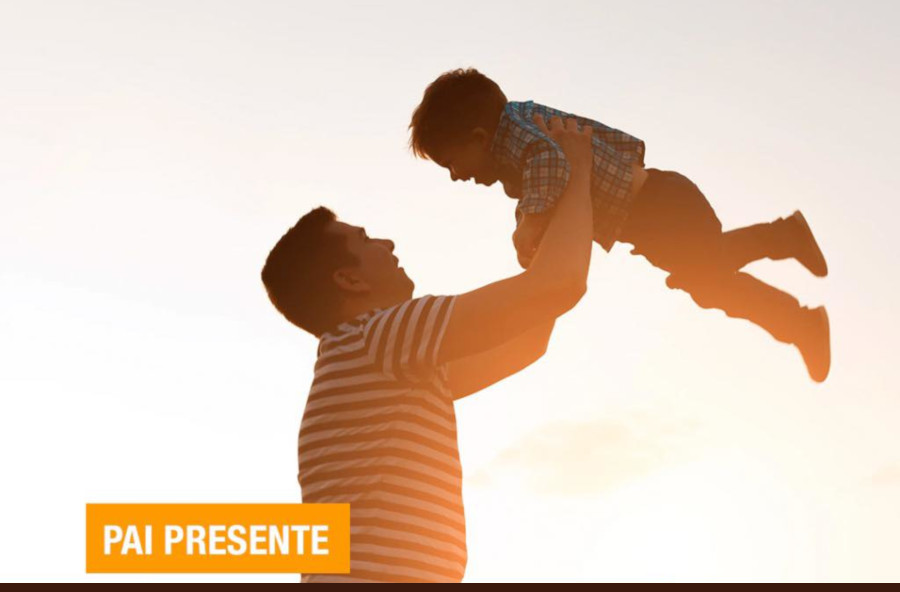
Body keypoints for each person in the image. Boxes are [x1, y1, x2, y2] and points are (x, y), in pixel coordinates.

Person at [261, 117, 594, 582]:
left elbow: (528, 338)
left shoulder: (381, 364)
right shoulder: (376, 337)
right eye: (364, 239)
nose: (387, 241)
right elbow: (558, 286)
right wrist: (578, 175)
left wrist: (554, 227)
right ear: (350, 280)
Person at [408, 68, 831, 382]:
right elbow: (545, 177)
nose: (455, 176)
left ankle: (789, 269)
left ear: (479, 138)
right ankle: (796, 306)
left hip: (661, 207)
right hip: (653, 216)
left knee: (705, 278)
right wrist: (527, 222)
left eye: (450, 163)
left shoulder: (519, 136)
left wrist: (529, 225)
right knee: (706, 278)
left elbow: (551, 163)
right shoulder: (519, 139)